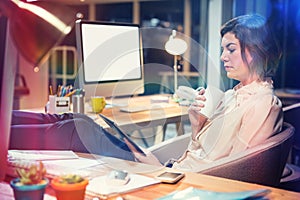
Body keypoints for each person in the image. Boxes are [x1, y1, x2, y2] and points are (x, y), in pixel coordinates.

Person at [10, 14, 283, 172]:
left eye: (231, 49)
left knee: (78, 129)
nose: (222, 56)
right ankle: (4, 121)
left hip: (181, 177)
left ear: (255, 50)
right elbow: (207, 150)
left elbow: (236, 168)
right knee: (79, 120)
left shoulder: (263, 103)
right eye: (223, 49)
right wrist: (197, 124)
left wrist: (158, 168)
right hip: (170, 167)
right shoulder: (236, 93)